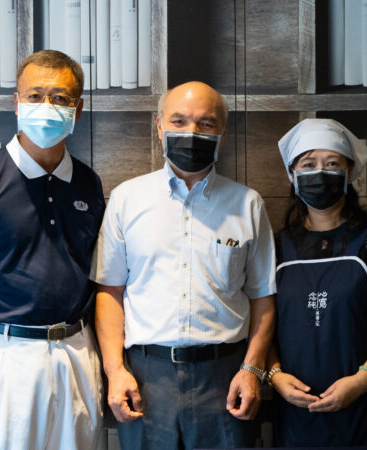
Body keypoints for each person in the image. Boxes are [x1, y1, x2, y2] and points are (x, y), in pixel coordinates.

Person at [0, 50, 105, 449]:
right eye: (35, 95)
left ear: (77, 110)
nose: (47, 106)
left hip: (77, 353)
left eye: (60, 98)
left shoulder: (89, 185)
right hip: (4, 358)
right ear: (16, 102)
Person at [91, 81, 277, 450]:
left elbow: (263, 298)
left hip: (224, 375)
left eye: (206, 124)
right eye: (179, 121)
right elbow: (110, 292)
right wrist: (115, 371)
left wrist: (252, 369)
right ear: (159, 127)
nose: (192, 132)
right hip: (145, 376)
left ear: (222, 131)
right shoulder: (128, 199)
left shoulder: (247, 204)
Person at [267, 118, 367, 446]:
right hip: (298, 412)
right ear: (292, 175)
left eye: (332, 163)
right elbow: (261, 322)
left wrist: (363, 380)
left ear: (349, 172)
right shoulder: (276, 246)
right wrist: (275, 376)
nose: (320, 172)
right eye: (308, 164)